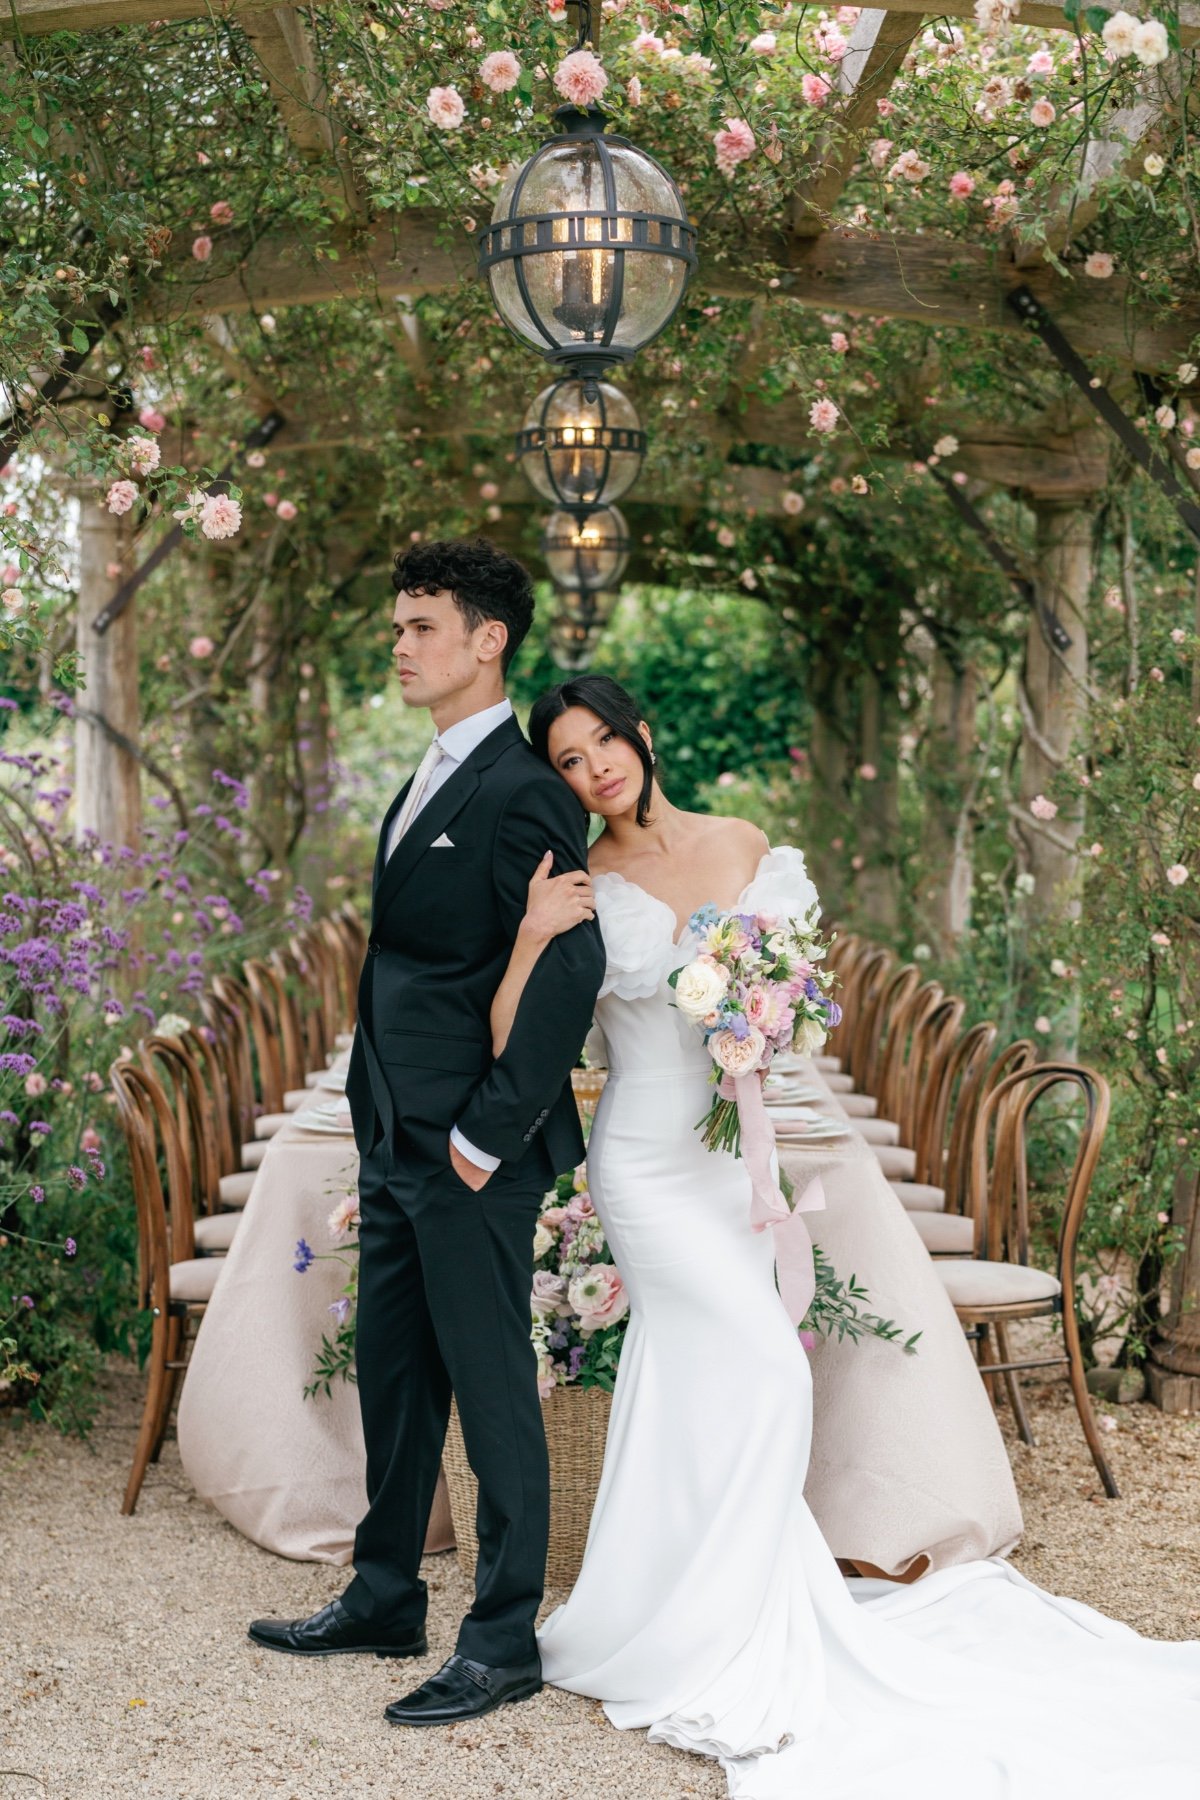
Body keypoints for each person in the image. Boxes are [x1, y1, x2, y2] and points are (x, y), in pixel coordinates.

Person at [516, 671, 1200, 1799]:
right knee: (761, 1375)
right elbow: (549, 1024)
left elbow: (787, 1007)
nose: (598, 770)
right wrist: (537, 935)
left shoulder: (742, 843)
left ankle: (704, 1598)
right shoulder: (587, 880)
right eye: (571, 762)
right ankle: (690, 1619)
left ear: (641, 734)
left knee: (709, 1377)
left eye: (605, 743)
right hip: (641, 1158)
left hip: (732, 1153)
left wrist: (764, 1015)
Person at [248, 540, 605, 1730]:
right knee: (396, 1379)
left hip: (468, 1151)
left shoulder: (524, 789)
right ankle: (386, 1593)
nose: (399, 646)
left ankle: (502, 1638)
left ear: (486, 638)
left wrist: (485, 1141)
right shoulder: (430, 772)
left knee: (493, 1387)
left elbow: (570, 972)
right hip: (397, 1139)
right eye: (398, 627)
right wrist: (388, 1130)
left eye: (419, 627)